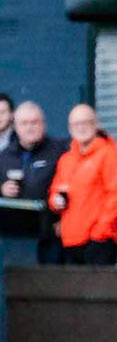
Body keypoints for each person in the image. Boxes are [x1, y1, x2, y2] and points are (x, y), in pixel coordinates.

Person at [48, 104, 117, 266]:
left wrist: (100, 234)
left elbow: (116, 196)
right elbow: (54, 192)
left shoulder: (109, 155)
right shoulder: (67, 159)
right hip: (71, 242)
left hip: (99, 243)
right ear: (70, 129)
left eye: (86, 122)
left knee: (98, 291)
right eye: (76, 124)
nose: (81, 128)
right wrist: (56, 201)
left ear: (96, 124)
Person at [0, 101, 68, 265]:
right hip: (14, 238)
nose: (29, 127)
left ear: (43, 124)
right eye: (24, 123)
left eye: (34, 122)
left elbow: (76, 186)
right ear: (15, 126)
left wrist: (67, 220)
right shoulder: (5, 156)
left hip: (50, 235)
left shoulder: (60, 151)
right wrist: (2, 188)